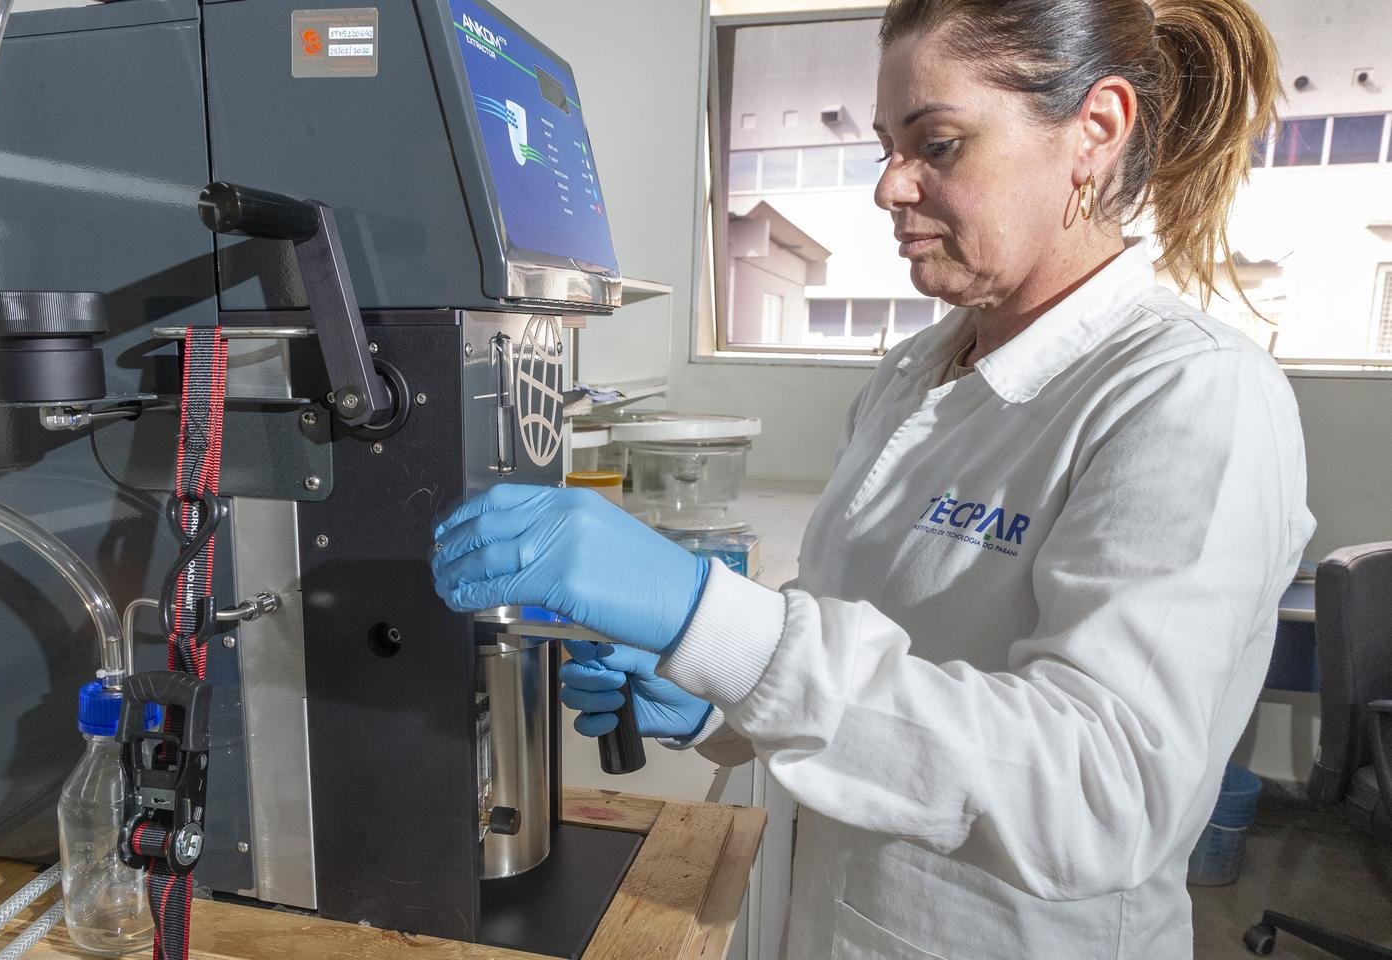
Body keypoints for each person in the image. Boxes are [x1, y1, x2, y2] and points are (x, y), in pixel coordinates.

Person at [433, 0, 1315, 955]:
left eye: (938, 144)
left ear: (1095, 129)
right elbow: (860, 634)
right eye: (887, 146)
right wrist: (715, 696)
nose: (890, 186)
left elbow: (1104, 792)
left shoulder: (1190, 394)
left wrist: (702, 612)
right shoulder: (913, 374)